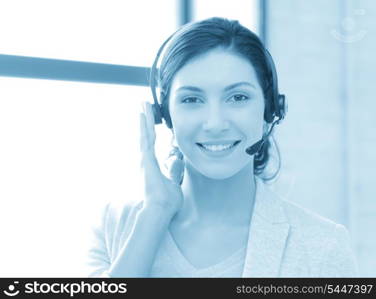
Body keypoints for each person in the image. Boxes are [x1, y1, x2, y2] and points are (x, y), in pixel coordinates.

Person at [86, 17, 358, 277]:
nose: (215, 123)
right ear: (164, 115)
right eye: (192, 99)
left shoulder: (323, 246)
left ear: (270, 110)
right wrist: (155, 212)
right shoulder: (115, 227)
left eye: (238, 97)